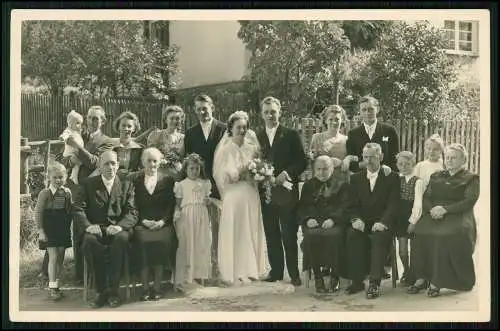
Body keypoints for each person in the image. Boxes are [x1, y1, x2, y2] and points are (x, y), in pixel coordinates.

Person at [408, 143, 479, 298]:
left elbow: (469, 201)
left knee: (443, 236)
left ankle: (437, 281)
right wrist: (433, 209)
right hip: (435, 212)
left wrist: (445, 209)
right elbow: (426, 196)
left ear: (463, 160)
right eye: (447, 157)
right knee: (420, 231)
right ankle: (421, 276)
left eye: (454, 158)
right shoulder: (437, 176)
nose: (450, 161)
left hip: (458, 215)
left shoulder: (471, 178)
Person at [56, 105, 115, 284]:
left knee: (93, 232)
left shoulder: (107, 141)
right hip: (77, 190)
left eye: (96, 119)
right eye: (89, 118)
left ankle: (98, 274)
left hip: (95, 193)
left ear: (103, 121)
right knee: (78, 231)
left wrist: (76, 148)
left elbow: (94, 162)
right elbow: (60, 159)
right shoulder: (79, 134)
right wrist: (69, 159)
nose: (91, 122)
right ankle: (80, 275)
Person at [73, 151, 138, 308]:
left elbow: (132, 211)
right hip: (96, 229)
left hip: (118, 229)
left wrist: (120, 226)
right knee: (89, 241)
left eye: (113, 163)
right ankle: (101, 292)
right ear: (100, 167)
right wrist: (88, 226)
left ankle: (114, 291)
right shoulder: (88, 184)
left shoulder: (126, 184)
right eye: (106, 164)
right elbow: (77, 209)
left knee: (122, 240)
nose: (110, 167)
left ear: (118, 164)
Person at [256, 96, 308, 286]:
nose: (270, 115)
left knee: (289, 233)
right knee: (271, 233)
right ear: (262, 114)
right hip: (266, 193)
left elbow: (302, 161)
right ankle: (276, 271)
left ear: (280, 112)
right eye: (266, 112)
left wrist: (286, 173)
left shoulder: (291, 134)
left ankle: (294, 273)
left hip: (287, 193)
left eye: (273, 112)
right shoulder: (256, 136)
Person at [213, 111, 268, 285]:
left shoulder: (251, 148)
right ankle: (234, 271)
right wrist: (237, 174)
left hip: (250, 193)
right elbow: (221, 176)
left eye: (245, 127)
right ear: (231, 128)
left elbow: (259, 167)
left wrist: (257, 173)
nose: (242, 130)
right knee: (236, 230)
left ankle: (251, 269)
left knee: (250, 229)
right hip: (233, 194)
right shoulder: (225, 149)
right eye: (238, 127)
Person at [344, 143, 399, 299]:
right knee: (352, 235)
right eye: (365, 157)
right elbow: (351, 205)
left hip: (382, 223)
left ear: (380, 157)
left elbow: (393, 205)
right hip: (363, 222)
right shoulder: (355, 178)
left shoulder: (391, 177)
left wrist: (384, 222)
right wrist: (355, 219)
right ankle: (357, 281)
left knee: (379, 238)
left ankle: (374, 283)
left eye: (372, 157)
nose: (368, 161)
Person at [183, 95, 226, 281]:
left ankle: (219, 267)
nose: (202, 112)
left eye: (205, 108)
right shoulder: (191, 133)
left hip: (220, 184)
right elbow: (188, 160)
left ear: (212, 107)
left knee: (219, 227)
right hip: (200, 186)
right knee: (202, 228)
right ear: (194, 111)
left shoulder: (224, 129)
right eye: (198, 109)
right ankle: (202, 269)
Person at [131, 148, 177, 301]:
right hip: (142, 224)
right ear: (143, 162)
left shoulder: (168, 180)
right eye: (148, 161)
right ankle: (145, 288)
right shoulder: (135, 181)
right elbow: (132, 205)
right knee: (142, 242)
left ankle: (157, 287)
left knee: (161, 242)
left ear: (159, 162)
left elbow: (171, 205)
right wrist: (143, 221)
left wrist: (163, 221)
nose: (152, 164)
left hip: (162, 224)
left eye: (155, 161)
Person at [298, 155, 349, 293]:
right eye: (318, 169)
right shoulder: (308, 185)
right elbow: (303, 206)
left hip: (333, 222)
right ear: (314, 170)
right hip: (314, 221)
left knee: (336, 236)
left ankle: (335, 275)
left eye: (325, 169)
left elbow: (344, 207)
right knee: (311, 236)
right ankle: (318, 276)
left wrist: (333, 219)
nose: (321, 172)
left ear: (332, 169)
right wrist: (308, 219)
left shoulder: (341, 185)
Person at [35, 162, 73, 301]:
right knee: (53, 256)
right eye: (55, 177)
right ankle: (52, 288)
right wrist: (41, 231)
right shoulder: (45, 193)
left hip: (62, 228)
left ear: (66, 177)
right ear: (49, 178)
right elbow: (38, 213)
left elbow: (69, 211)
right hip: (49, 228)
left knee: (61, 256)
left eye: (61, 177)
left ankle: (56, 284)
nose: (58, 180)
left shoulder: (67, 192)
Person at [173, 153, 212, 290]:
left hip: (201, 215)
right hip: (187, 216)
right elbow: (178, 204)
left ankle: (199, 275)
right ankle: (185, 277)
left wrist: (207, 201)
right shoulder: (181, 185)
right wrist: (177, 213)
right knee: (187, 245)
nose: (194, 171)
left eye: (197, 168)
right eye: (191, 168)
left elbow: (207, 200)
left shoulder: (205, 183)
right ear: (186, 169)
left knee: (200, 244)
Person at [343, 95, 400, 173]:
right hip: (362, 180)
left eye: (371, 109)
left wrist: (386, 169)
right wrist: (363, 165)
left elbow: (395, 159)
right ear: (360, 111)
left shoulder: (389, 131)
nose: (368, 113)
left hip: (385, 178)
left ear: (377, 109)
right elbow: (351, 164)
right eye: (364, 110)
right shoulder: (353, 134)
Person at [394, 151, 424, 286]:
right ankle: (406, 270)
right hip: (399, 219)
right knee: (402, 250)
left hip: (412, 218)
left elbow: (418, 204)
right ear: (397, 165)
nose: (404, 167)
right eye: (401, 164)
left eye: (407, 164)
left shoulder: (417, 181)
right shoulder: (396, 179)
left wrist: (413, 221)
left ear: (413, 164)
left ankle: (415, 273)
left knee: (416, 249)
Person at [147, 105, 185, 179]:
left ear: (181, 120)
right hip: (159, 173)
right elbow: (150, 155)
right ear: (165, 120)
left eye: (177, 118)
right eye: (171, 118)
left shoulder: (183, 138)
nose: (174, 121)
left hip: (177, 174)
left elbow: (183, 159)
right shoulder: (156, 135)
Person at [110, 111, 145, 178]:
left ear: (134, 129)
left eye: (129, 126)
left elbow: (144, 169)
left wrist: (134, 174)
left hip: (132, 184)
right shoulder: (110, 145)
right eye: (123, 125)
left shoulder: (140, 148)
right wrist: (115, 172)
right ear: (118, 127)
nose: (126, 129)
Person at [59, 110, 84, 185]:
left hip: (75, 153)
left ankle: (73, 176)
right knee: (77, 163)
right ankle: (69, 176)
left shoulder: (77, 132)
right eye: (77, 123)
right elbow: (65, 135)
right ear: (70, 124)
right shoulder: (69, 130)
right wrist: (63, 137)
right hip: (69, 154)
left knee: (77, 165)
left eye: (80, 124)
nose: (79, 126)